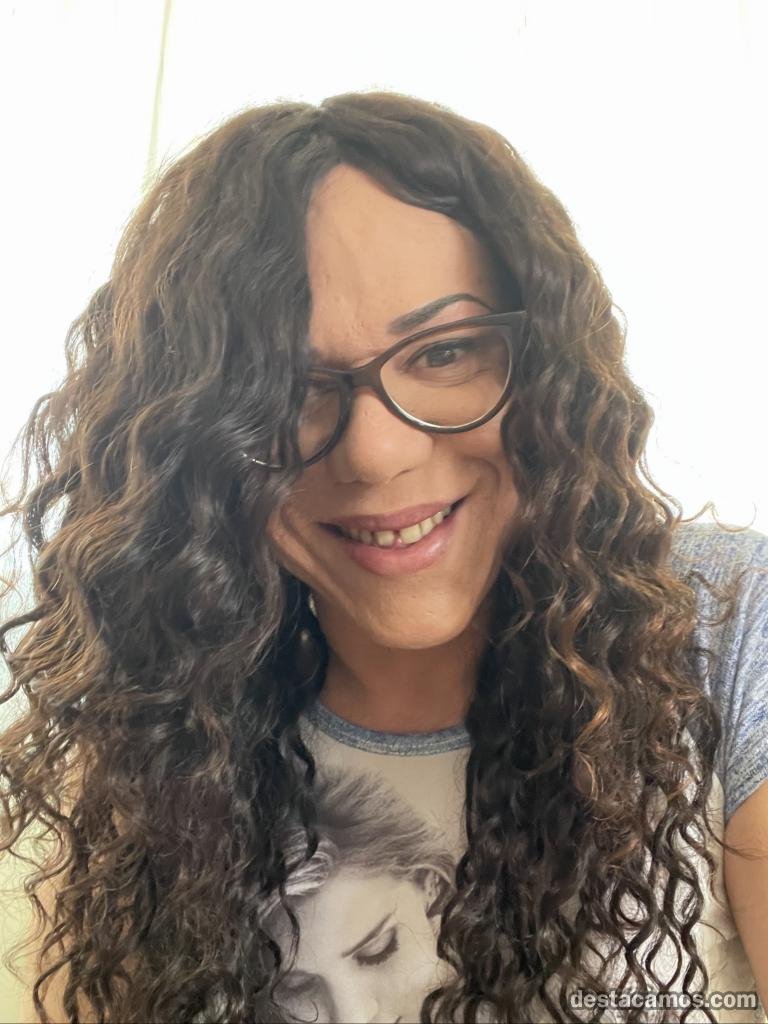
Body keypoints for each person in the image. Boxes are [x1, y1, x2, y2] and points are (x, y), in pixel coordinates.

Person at [0, 90, 766, 1024]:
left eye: (443, 353)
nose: (374, 454)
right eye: (285, 391)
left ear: (551, 371)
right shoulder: (148, 732)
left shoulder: (725, 626)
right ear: (197, 440)